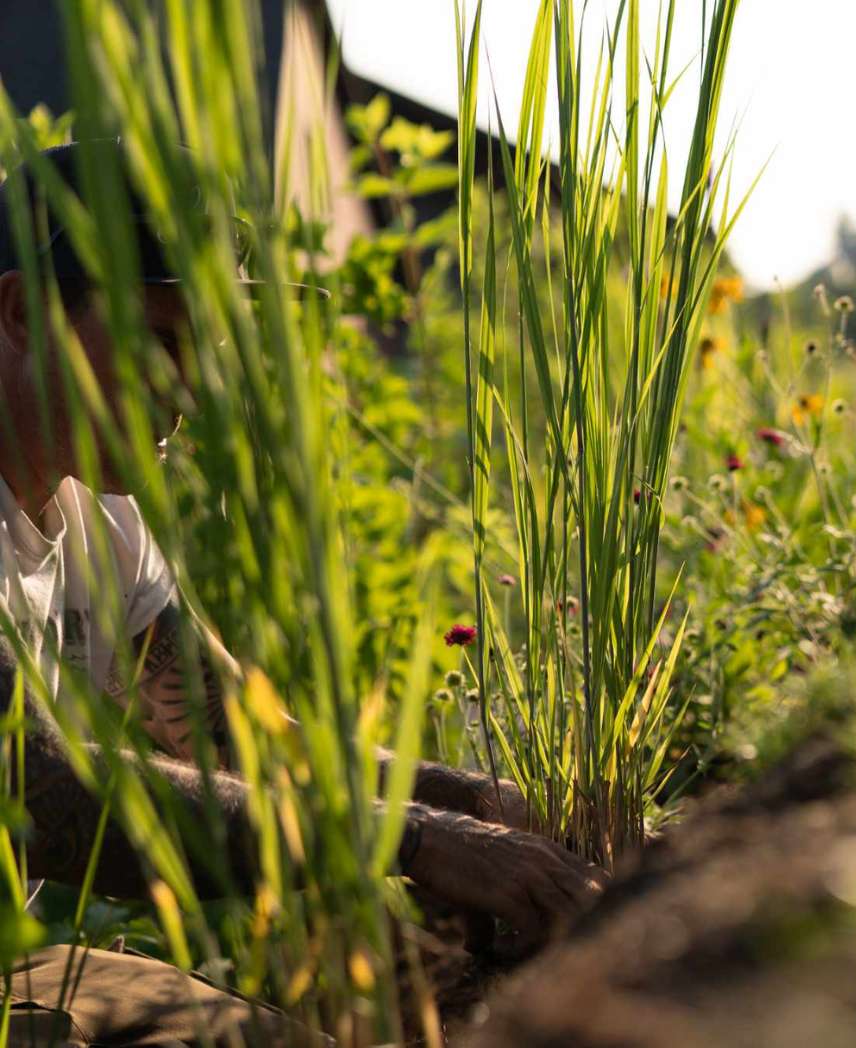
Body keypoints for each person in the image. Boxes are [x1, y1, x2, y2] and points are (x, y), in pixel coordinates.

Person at [0, 142, 603, 1046]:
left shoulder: (99, 520)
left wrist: (468, 803)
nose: (191, 391)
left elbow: (235, 731)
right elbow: (40, 795)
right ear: (19, 313)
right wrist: (412, 843)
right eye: (158, 340)